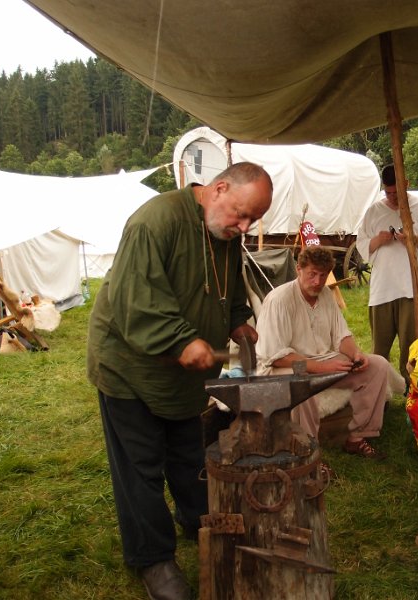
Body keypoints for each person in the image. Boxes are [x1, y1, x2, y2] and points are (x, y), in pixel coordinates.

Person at [87, 162, 273, 600]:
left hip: (185, 379)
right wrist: (180, 340)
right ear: (219, 187)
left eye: (253, 220)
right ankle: (152, 559)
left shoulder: (225, 233)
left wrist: (237, 322)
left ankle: (199, 522)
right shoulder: (156, 221)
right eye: (241, 215)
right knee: (141, 467)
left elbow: (226, 287)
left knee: (189, 454)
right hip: (131, 369)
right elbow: (135, 299)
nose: (244, 227)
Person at [255, 246, 393, 459]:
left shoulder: (326, 295)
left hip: (322, 360)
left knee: (378, 366)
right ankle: (309, 452)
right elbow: (277, 357)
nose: (318, 281)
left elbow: (341, 336)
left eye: (323, 275)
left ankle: (357, 437)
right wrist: (321, 368)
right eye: (312, 274)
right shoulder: (279, 300)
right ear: (299, 269)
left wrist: (355, 353)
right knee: (300, 382)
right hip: (284, 367)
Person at [355, 164, 418, 386]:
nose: (392, 197)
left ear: (406, 184)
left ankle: (410, 389)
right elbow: (362, 245)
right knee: (380, 347)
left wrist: (412, 239)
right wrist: (379, 240)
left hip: (409, 287)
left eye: (396, 192)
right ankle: (378, 389)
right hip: (382, 288)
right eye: (388, 193)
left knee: (411, 345)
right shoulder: (374, 211)